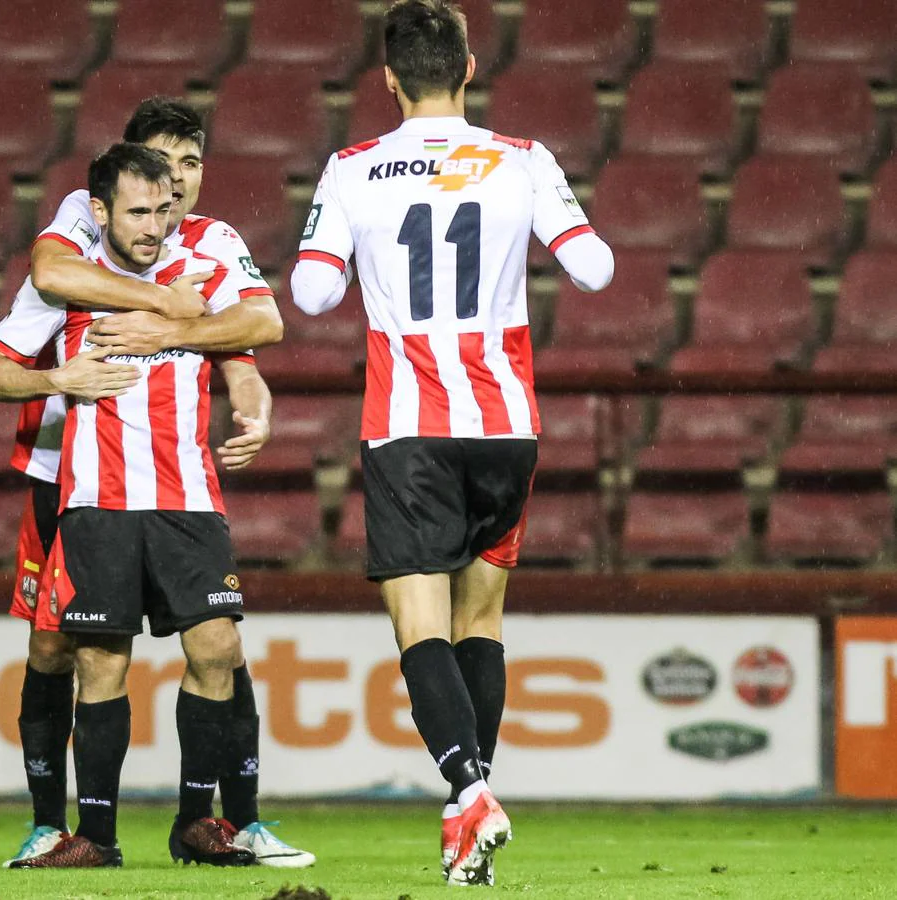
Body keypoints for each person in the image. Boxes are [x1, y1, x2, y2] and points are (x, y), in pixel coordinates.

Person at [289, 0, 614, 886]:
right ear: (470, 68)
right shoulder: (523, 160)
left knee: (419, 624)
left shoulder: (353, 167)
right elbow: (595, 267)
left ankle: (469, 791)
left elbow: (313, 295)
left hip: (408, 428)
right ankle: (469, 813)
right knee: (483, 618)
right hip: (507, 423)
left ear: (387, 78)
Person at [0, 99, 311, 869]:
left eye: (187, 174)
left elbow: (257, 335)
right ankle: (73, 829)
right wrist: (71, 369)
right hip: (81, 485)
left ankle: (209, 820)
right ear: (112, 198)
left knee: (218, 647)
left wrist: (186, 338)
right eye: (155, 184)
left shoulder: (213, 248)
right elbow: (8, 339)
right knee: (75, 653)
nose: (170, 198)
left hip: (186, 493)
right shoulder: (77, 247)